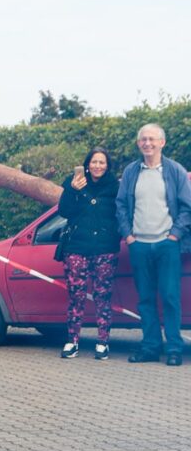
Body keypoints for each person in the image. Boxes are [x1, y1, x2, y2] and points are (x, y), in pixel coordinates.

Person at [115, 123, 191, 366]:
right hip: (139, 246)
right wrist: (128, 236)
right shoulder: (131, 172)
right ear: (139, 144)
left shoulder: (175, 171)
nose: (147, 143)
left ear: (162, 143)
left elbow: (187, 207)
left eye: (152, 139)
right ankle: (150, 347)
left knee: (170, 297)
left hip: (167, 245)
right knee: (145, 299)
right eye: (143, 140)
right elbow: (121, 206)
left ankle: (174, 349)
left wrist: (174, 236)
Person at [57, 148, 121, 360]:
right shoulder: (74, 182)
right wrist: (72, 191)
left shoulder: (115, 186)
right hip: (77, 247)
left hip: (105, 248)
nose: (98, 166)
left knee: (103, 295)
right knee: (76, 296)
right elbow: (64, 211)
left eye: (102, 162)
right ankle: (72, 341)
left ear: (107, 166)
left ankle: (103, 342)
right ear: (87, 164)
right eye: (94, 162)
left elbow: (121, 213)